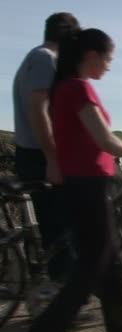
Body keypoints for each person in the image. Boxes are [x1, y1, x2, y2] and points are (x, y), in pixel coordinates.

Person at [23, 28, 122, 332]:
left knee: (109, 266)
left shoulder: (66, 88)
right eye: (108, 58)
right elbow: (103, 138)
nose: (109, 66)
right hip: (87, 183)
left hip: (84, 181)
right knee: (89, 271)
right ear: (91, 55)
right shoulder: (78, 89)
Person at [12, 12, 80, 282]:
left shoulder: (36, 57)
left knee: (57, 225)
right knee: (60, 226)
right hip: (38, 156)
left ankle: (59, 291)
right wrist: (52, 157)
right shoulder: (45, 59)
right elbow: (38, 110)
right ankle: (63, 299)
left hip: (35, 153)